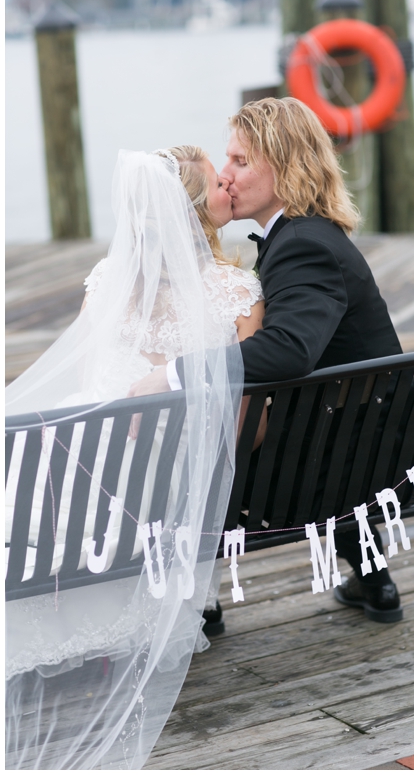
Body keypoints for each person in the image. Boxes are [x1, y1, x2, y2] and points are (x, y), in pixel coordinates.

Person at [5, 147, 260, 768]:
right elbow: (242, 430)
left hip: (81, 484)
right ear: (198, 210)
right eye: (217, 177)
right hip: (165, 493)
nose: (229, 180)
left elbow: (91, 380)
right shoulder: (236, 291)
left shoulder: (108, 281)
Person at [129, 97, 406, 625]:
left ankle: (194, 606)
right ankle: (375, 582)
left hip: (346, 454)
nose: (227, 176)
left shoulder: (303, 244)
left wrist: (171, 374)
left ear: (284, 166)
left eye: (239, 161)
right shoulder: (307, 233)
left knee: (195, 452)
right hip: (358, 431)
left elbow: (288, 349)